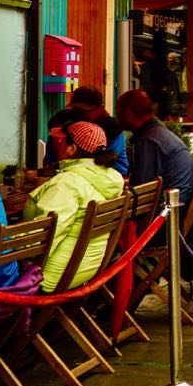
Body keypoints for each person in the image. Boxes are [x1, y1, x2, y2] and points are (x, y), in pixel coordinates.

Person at [23, 120, 125, 292]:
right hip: (87, 269)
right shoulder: (111, 179)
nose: (58, 145)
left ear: (72, 149)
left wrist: (11, 250)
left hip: (51, 276)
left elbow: (45, 235)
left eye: (63, 142)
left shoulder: (68, 183)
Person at [116, 89, 193, 197]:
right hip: (177, 203)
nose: (117, 118)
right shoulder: (157, 134)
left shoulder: (149, 141)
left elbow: (141, 189)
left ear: (128, 113)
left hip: (166, 209)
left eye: (118, 112)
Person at [47, 85, 129, 177]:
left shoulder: (112, 127)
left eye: (86, 110)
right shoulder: (68, 119)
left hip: (112, 174)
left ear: (100, 108)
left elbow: (105, 161)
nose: (81, 113)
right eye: (77, 109)